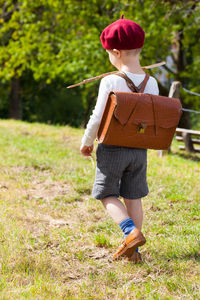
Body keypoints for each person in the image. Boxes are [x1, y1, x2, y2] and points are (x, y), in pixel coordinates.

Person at [80, 15, 159, 263]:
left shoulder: (111, 80)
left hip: (113, 149)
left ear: (116, 52)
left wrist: (87, 141)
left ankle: (130, 232)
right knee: (133, 196)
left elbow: (97, 117)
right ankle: (133, 251)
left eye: (109, 54)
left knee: (107, 194)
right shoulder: (153, 82)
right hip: (139, 150)